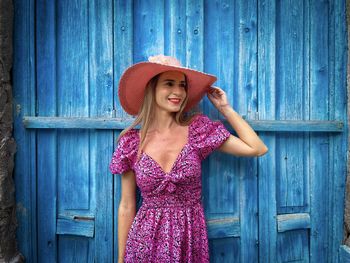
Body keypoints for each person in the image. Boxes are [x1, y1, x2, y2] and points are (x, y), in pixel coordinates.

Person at [109, 54, 268, 263]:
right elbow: (127, 205)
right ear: (152, 88)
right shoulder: (131, 144)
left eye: (182, 85)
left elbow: (256, 148)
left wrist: (225, 109)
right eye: (169, 84)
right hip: (144, 242)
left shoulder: (197, 131)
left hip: (189, 240)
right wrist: (121, 259)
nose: (178, 92)